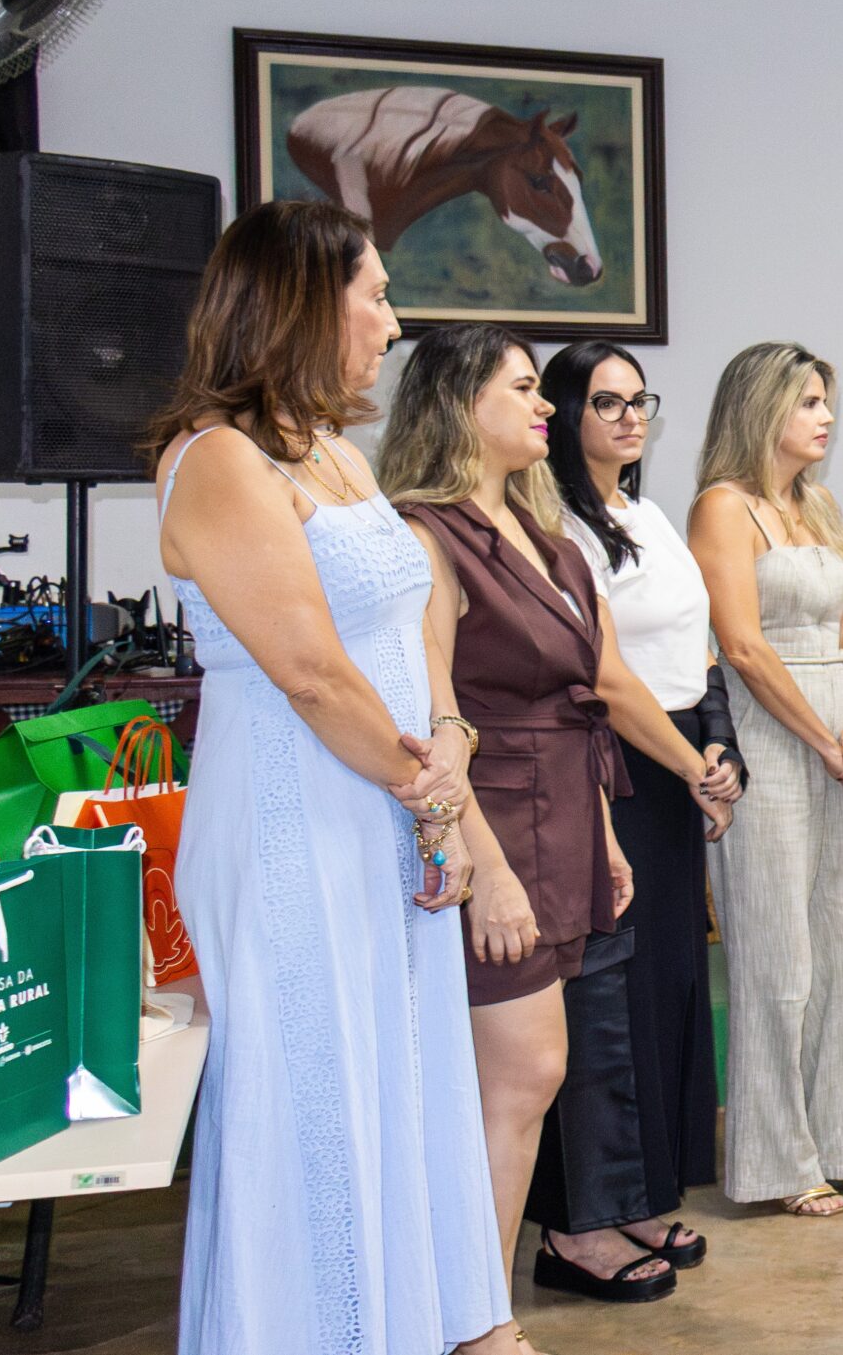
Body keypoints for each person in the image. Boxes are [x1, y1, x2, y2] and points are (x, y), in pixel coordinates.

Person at [150, 200, 508, 1353]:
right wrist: (434, 795)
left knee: (394, 1085)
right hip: (293, 817)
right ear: (306, 304)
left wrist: (446, 740)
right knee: (315, 1098)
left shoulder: (338, 453)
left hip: (383, 807)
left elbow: (409, 635)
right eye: (376, 295)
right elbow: (307, 668)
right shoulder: (217, 459)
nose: (393, 324)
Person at [377, 324, 658, 1334]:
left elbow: (581, 697)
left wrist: (608, 837)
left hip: (564, 815)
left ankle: (473, 1301)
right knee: (522, 1072)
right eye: (526, 388)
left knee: (521, 1080)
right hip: (492, 825)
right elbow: (431, 712)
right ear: (459, 403)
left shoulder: (542, 536)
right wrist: (484, 867)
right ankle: (479, 1315)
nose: (548, 408)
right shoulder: (424, 533)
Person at [524, 340, 745, 1289]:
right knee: (604, 1002)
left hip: (678, 763)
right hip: (617, 768)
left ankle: (645, 1193)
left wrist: (720, 743)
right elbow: (603, 680)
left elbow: (698, 648)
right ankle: (578, 1224)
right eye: (603, 400)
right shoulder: (561, 522)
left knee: (664, 990)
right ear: (563, 416)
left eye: (637, 398)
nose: (627, 415)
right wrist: (692, 761)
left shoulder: (645, 511)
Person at [688, 341, 843, 1216]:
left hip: (833, 736)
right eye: (809, 401)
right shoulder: (721, 507)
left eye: (827, 403)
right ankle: (780, 1160)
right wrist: (822, 737)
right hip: (769, 738)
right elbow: (739, 643)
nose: (825, 417)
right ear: (762, 407)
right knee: (779, 957)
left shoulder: (814, 502)